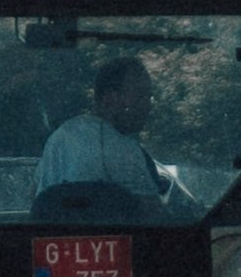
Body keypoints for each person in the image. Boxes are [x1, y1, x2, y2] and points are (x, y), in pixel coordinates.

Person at [32, 51, 179, 211]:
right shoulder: (124, 150)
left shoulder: (61, 135)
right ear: (109, 97)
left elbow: (35, 194)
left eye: (149, 97)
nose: (148, 105)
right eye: (140, 95)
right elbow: (153, 214)